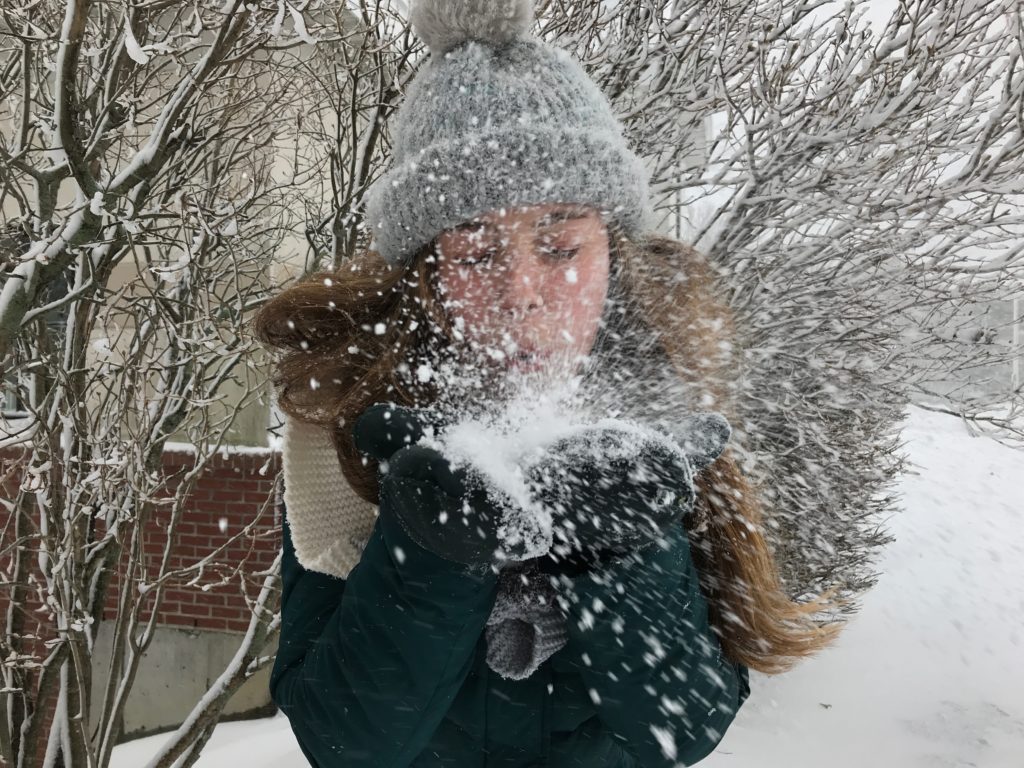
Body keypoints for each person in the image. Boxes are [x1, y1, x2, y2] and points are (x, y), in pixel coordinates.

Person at [252, 1, 845, 766]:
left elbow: (687, 729)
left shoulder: (667, 406)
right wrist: (430, 547)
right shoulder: (344, 425)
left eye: (561, 244)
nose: (523, 292)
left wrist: (622, 549)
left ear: (612, 252)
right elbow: (338, 739)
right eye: (474, 253)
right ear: (425, 275)